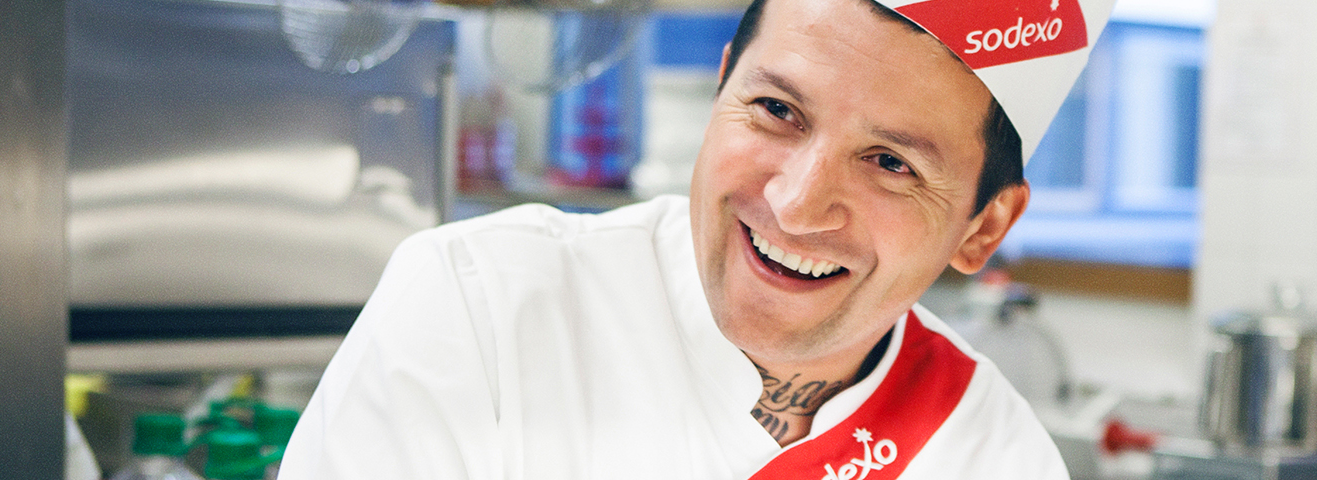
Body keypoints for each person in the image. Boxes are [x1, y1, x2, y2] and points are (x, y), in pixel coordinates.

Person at [277, 0, 1112, 478]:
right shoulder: (481, 307)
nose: (795, 203)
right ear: (720, 88)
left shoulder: (983, 450)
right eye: (777, 111)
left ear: (985, 227)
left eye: (890, 162)